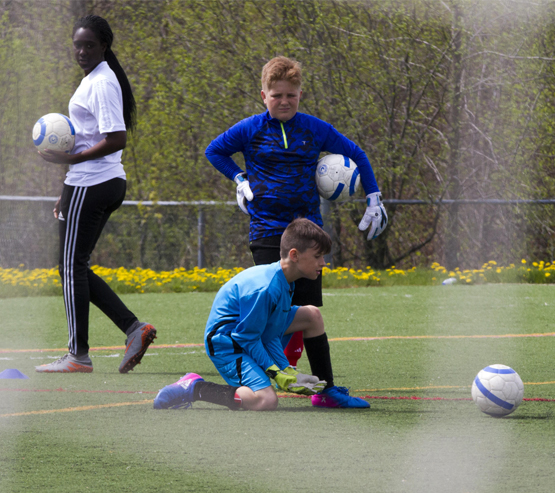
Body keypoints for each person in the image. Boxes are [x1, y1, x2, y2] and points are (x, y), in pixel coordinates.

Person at [205, 56, 387, 369]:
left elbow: (357, 154)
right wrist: (239, 178)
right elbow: (214, 151)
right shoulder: (250, 129)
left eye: (291, 94)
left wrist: (373, 196)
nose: (284, 101)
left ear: (300, 94)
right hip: (266, 231)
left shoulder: (315, 129)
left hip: (308, 233)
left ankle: (314, 382)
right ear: (264, 96)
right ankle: (265, 370)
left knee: (307, 309)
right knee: (271, 306)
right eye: (277, 95)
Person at [35, 15, 156, 374]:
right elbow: (91, 136)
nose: (82, 51)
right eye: (78, 45)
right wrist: (66, 187)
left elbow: (115, 138)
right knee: (76, 267)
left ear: (104, 46)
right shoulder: (96, 79)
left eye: (89, 45)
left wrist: (71, 161)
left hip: (94, 183)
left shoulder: (102, 82)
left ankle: (77, 355)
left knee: (70, 267)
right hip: (89, 182)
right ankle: (135, 329)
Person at [153, 218, 369, 411]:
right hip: (226, 343)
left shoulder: (285, 280)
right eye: (318, 256)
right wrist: (276, 372)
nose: (323, 263)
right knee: (265, 400)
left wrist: (286, 370)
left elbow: (269, 334)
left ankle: (326, 393)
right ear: (294, 255)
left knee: (311, 315)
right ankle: (195, 388)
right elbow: (247, 337)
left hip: (245, 336)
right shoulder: (265, 289)